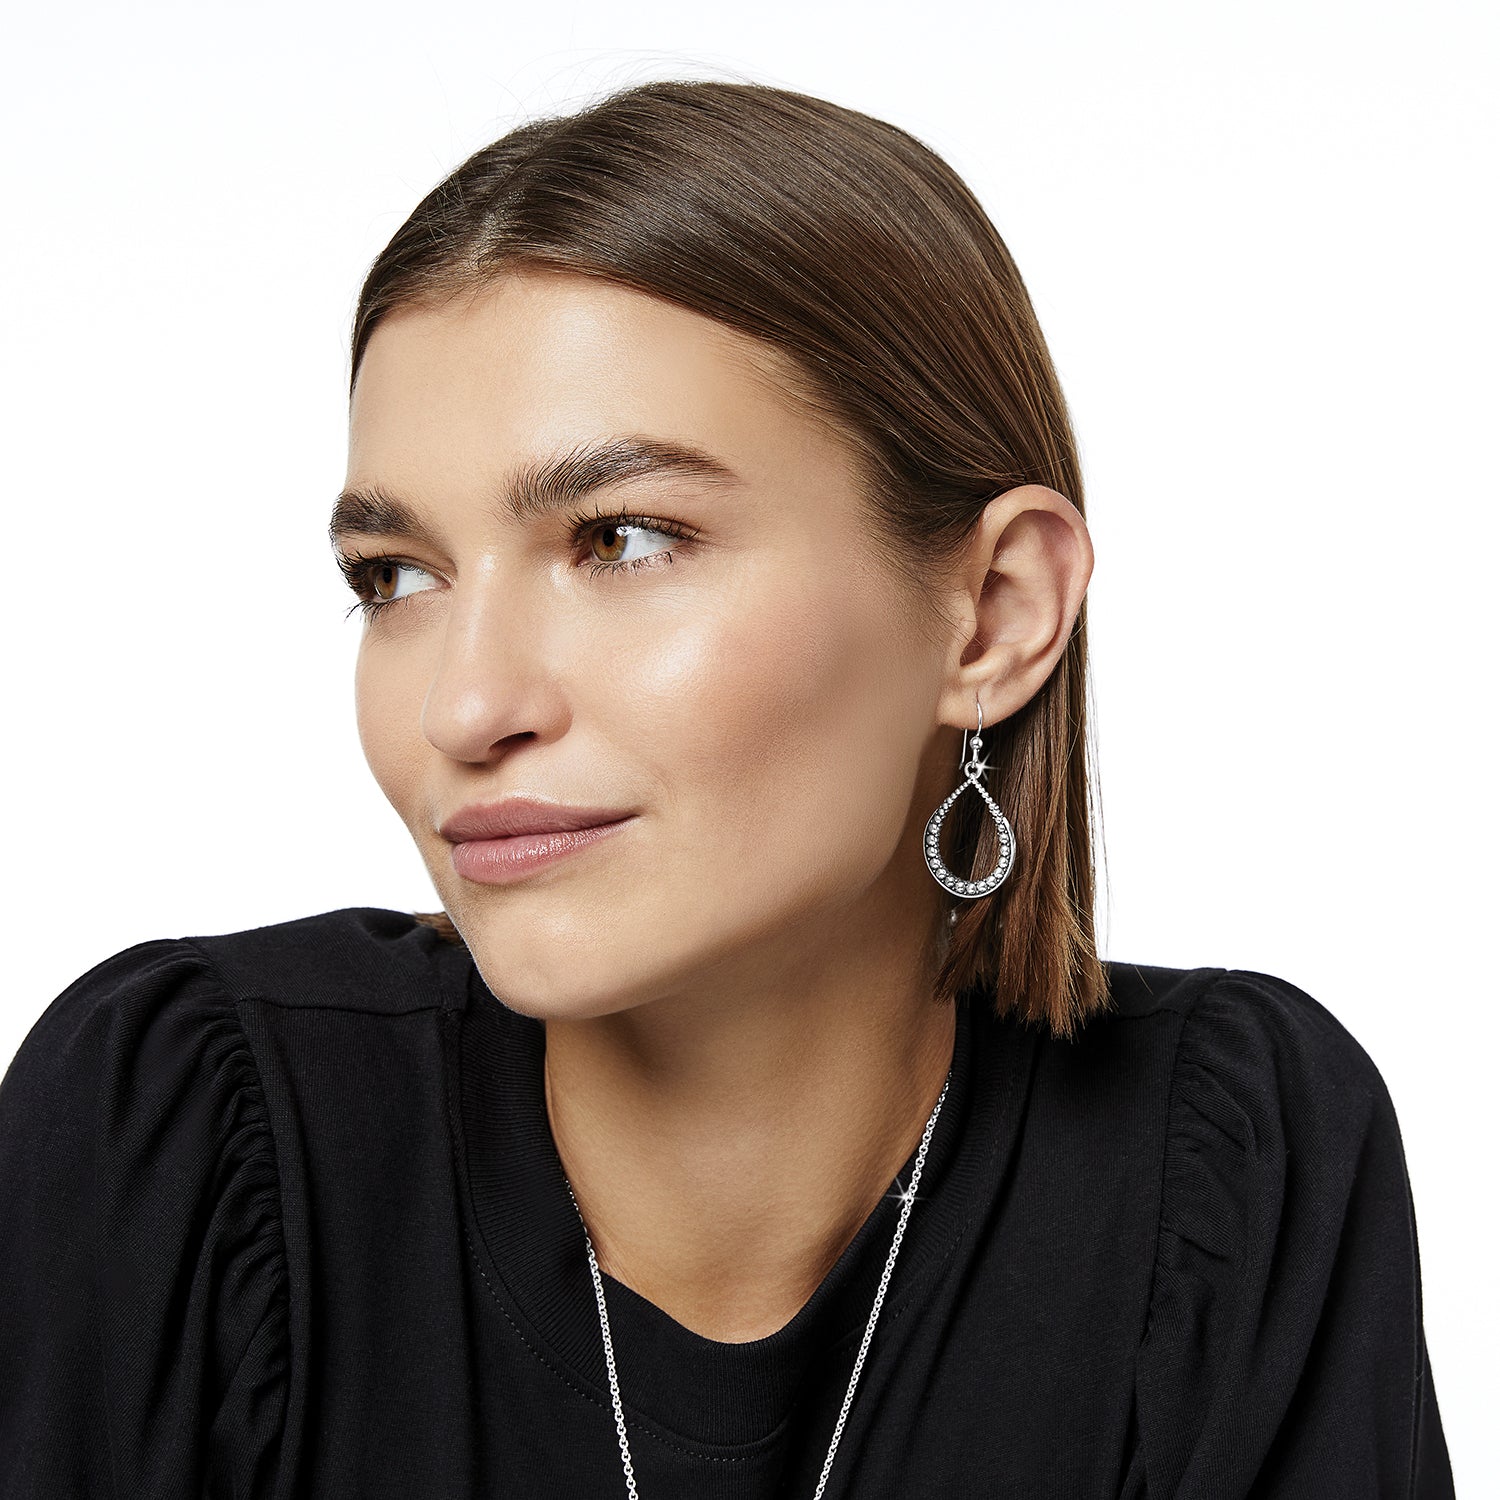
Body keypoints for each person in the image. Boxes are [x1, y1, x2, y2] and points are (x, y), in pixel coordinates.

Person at [0, 79, 1453, 1499]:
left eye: (624, 540)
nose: (467, 707)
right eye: (396, 578)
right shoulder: (180, 1138)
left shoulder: (1227, 1166)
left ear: (996, 617)